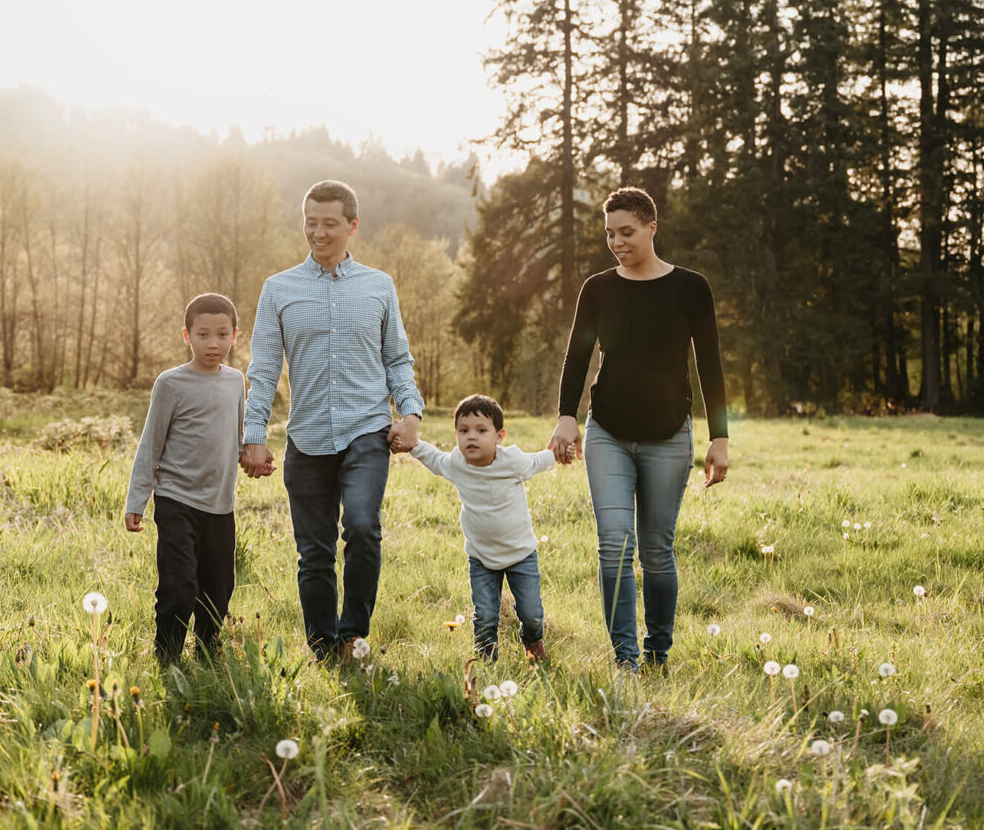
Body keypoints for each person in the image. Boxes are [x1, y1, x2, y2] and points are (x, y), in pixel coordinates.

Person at [240, 180, 426, 660]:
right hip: (306, 438)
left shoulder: (378, 286)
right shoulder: (278, 289)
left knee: (363, 527)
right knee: (315, 553)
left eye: (329, 224)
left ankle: (352, 635)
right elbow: (262, 369)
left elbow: (398, 360)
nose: (318, 233)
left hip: (367, 429)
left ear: (352, 226)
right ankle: (324, 647)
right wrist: (254, 436)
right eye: (311, 222)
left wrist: (411, 413)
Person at [549, 187, 730, 670]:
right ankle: (625, 658)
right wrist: (566, 414)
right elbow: (577, 355)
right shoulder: (598, 288)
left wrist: (720, 437)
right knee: (614, 544)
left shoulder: (691, 288)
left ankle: (657, 653)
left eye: (626, 232)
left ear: (652, 227)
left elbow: (710, 363)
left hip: (669, 437)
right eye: (610, 233)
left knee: (656, 550)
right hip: (607, 430)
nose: (617, 242)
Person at [123, 293, 244, 663]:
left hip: (220, 504)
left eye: (222, 334)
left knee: (219, 587)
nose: (214, 343)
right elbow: (151, 444)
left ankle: (208, 651)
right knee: (179, 585)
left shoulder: (237, 382)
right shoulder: (171, 383)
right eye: (204, 334)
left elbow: (236, 435)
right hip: (176, 499)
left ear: (235, 336)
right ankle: (168, 655)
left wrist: (253, 456)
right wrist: (136, 500)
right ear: (186, 336)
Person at [407, 394, 563, 662]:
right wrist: (411, 444)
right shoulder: (457, 464)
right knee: (485, 615)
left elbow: (537, 461)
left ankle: (532, 640)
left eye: (481, 431)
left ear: (499, 436)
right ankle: (486, 662)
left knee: (531, 613)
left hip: (521, 554)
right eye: (464, 431)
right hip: (481, 556)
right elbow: (433, 458)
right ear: (455, 434)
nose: (472, 437)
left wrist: (560, 453)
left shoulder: (512, 462)